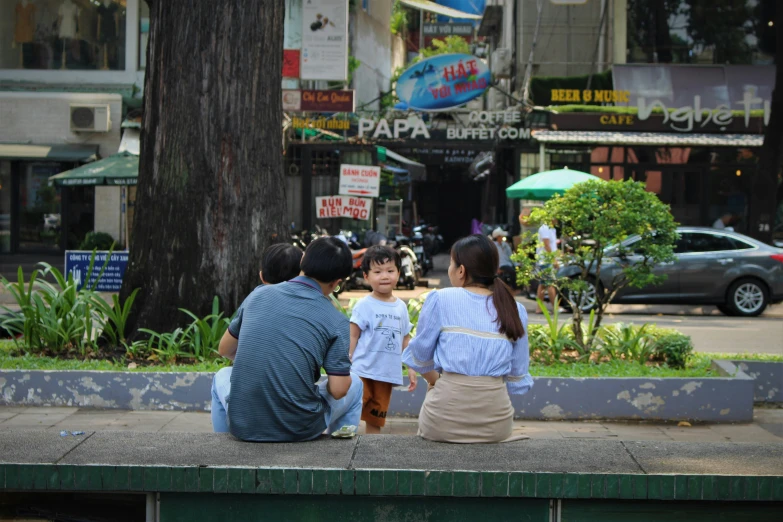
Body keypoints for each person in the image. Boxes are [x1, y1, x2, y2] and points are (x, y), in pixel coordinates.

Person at [211, 237, 363, 442]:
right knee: (356, 384)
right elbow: (338, 390)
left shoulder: (258, 296)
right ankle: (339, 453)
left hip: (243, 425)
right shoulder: (337, 320)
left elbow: (225, 349)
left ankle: (222, 446)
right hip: (299, 428)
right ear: (337, 282)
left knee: (222, 375)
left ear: (303, 261)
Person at [402, 234, 533, 443]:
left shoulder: (441, 299)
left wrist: (439, 383)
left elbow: (420, 355)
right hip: (496, 425)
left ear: (461, 270)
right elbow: (517, 376)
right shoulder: (514, 309)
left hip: (441, 421)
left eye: (451, 263)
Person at [349, 246, 416, 434]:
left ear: (399, 273)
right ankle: (343, 443)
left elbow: (405, 338)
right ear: (366, 276)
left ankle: (371, 450)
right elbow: (353, 334)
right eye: (377, 272)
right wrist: (347, 359)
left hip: (386, 373)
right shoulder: (364, 305)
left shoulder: (401, 307)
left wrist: (411, 367)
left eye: (390, 271)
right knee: (352, 407)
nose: (384, 276)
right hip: (362, 369)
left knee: (376, 417)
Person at [536, 220, 559, 313]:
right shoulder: (545, 228)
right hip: (545, 260)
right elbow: (546, 244)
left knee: (543, 284)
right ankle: (555, 308)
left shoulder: (552, 229)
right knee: (550, 284)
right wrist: (554, 259)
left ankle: (539, 308)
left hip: (546, 260)